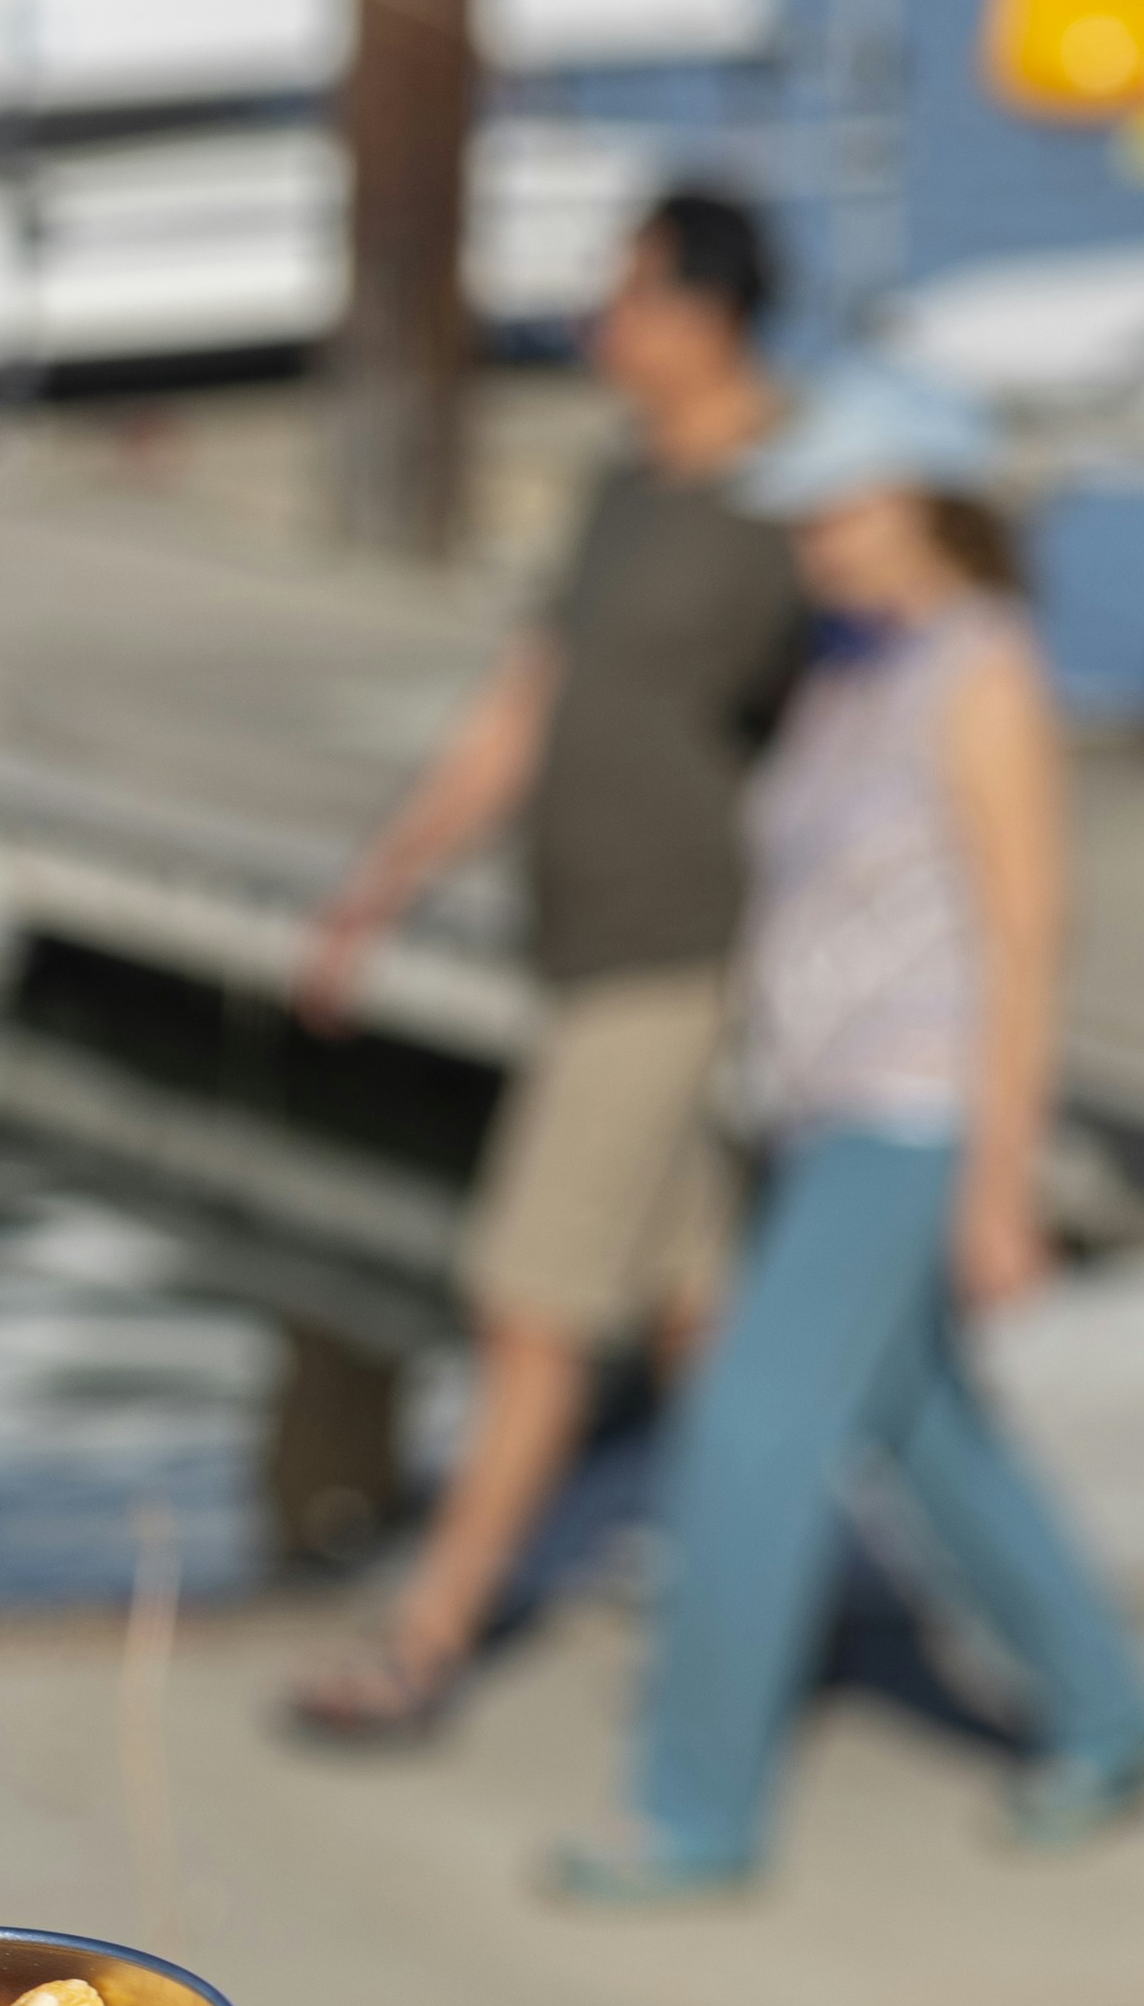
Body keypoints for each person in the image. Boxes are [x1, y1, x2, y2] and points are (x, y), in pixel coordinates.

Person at [551, 363, 1144, 1901]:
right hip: (821, 1107)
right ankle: (1109, 1709)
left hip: (915, 1116)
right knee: (925, 1430)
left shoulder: (985, 670)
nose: (813, 532)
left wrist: (1002, 1186)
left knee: (753, 1428)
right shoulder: (851, 660)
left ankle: (695, 1809)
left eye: (841, 503)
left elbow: (1031, 938)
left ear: (927, 502)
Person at [283, 188, 816, 1743]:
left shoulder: (791, 502)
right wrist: (381, 884)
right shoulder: (625, 486)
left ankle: (426, 1637)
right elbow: (530, 698)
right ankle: (774, 1580)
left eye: (630, 292)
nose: (603, 321)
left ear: (706, 311)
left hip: (684, 949)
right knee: (702, 1313)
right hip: (583, 948)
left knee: (528, 1301)